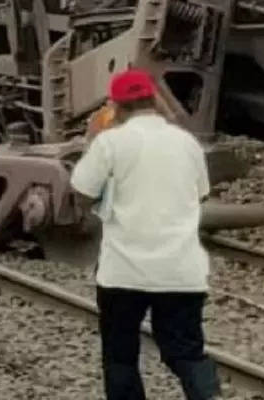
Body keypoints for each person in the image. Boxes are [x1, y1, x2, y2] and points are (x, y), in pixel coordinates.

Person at [69, 69, 218, 400]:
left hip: (123, 271)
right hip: (181, 271)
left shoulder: (110, 142)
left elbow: (80, 191)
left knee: (121, 355)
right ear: (153, 101)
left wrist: (93, 146)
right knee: (187, 352)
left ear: (117, 108)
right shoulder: (187, 143)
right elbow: (201, 195)